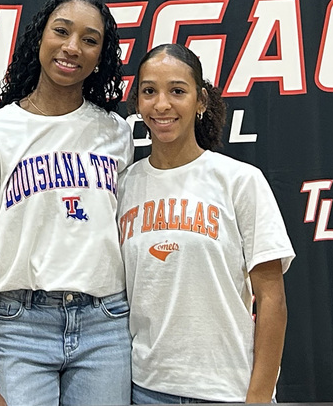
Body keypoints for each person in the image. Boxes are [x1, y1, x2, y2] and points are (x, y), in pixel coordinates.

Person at [0, 0, 135, 405]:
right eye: (61, 31)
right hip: (21, 327)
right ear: (39, 39)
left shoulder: (117, 134)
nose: (72, 47)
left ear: (102, 55)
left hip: (106, 324)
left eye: (89, 39)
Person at [118, 43, 295, 404]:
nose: (162, 104)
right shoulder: (124, 185)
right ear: (137, 101)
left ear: (200, 101)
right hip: (145, 390)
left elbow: (272, 300)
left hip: (226, 391)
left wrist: (259, 396)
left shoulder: (240, 181)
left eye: (177, 91)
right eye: (149, 91)